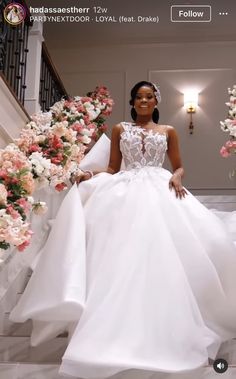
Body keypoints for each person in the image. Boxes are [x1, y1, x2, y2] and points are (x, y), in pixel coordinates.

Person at [10, 81, 236, 379]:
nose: (144, 101)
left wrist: (178, 177)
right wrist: (90, 173)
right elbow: (114, 167)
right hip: (125, 188)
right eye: (139, 97)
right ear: (133, 102)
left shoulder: (168, 131)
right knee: (118, 254)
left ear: (156, 101)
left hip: (161, 186)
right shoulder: (120, 129)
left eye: (149, 97)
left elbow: (179, 165)